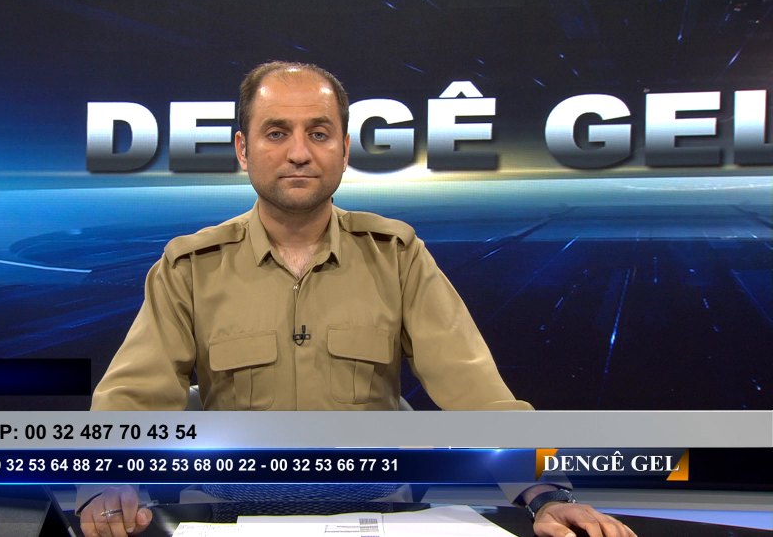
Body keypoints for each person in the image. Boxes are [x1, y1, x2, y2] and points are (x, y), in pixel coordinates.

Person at [78, 61, 635, 537]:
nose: (299, 153)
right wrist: (105, 483)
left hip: (378, 515)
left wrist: (546, 495)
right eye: (277, 133)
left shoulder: (396, 254)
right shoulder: (189, 266)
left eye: (319, 134)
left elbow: (477, 394)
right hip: (228, 517)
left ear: (344, 150)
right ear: (243, 150)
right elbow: (132, 398)